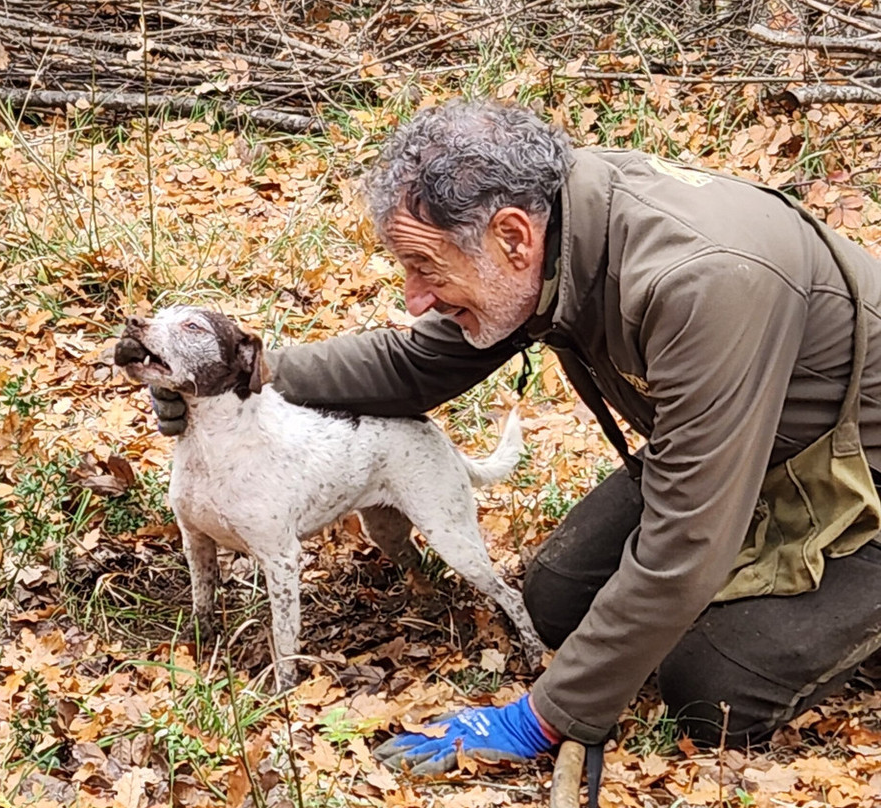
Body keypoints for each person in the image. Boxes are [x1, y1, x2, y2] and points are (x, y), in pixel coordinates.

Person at [151, 98, 881, 774]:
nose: (417, 297)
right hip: (758, 454)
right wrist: (242, 377)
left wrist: (545, 717)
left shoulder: (700, 282)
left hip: (856, 481)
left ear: (511, 237)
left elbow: (688, 536)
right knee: (557, 597)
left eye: (425, 267)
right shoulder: (560, 229)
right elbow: (413, 364)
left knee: (713, 689)